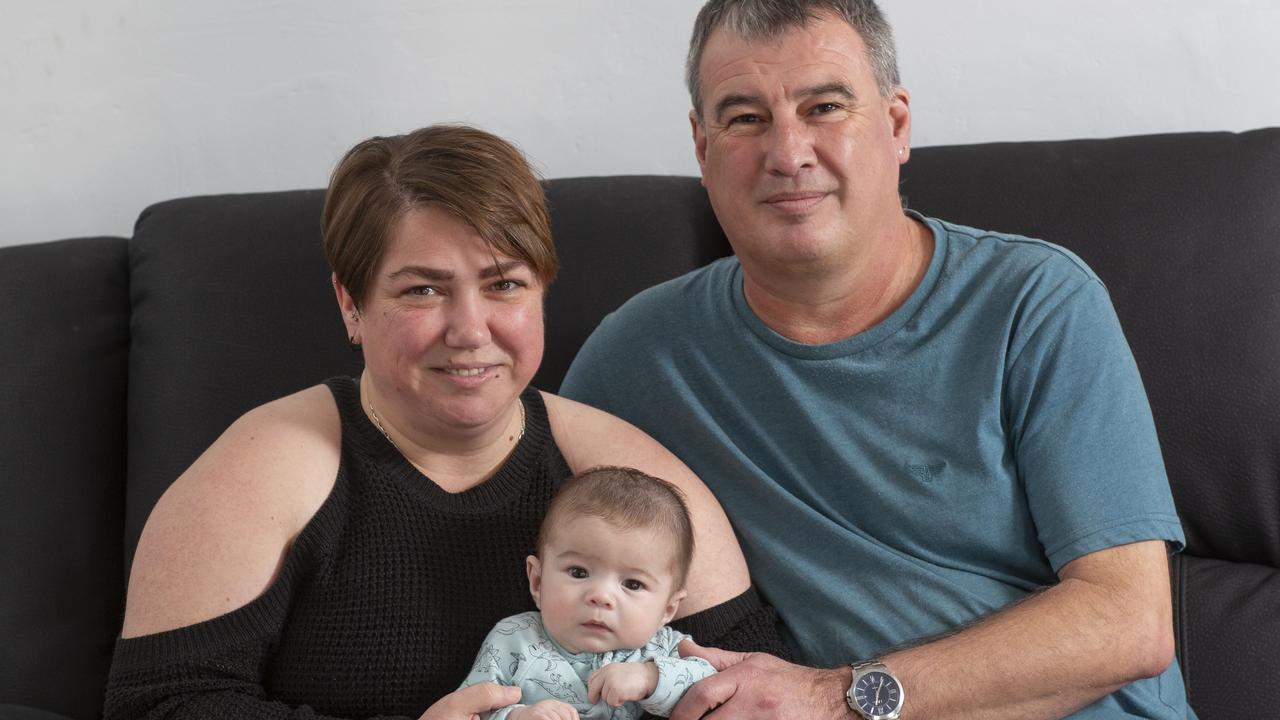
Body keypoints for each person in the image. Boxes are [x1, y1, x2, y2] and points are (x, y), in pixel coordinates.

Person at [560, 1, 1196, 718]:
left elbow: (1129, 625)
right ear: (702, 150)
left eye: (824, 106)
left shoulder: (1037, 303)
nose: (788, 153)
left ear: (896, 126)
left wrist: (836, 699)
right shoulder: (637, 356)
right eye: (744, 118)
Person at [103, 124, 786, 720]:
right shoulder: (268, 466)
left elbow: (759, 684)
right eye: (423, 289)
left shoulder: (627, 474)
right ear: (351, 302)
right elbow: (159, 705)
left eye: (504, 284)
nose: (469, 330)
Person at [459, 466, 718, 720]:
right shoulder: (513, 639)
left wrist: (650, 677)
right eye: (578, 573)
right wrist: (518, 715)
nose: (601, 596)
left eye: (633, 584)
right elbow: (468, 709)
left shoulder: (661, 648)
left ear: (668, 609)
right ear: (537, 582)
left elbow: (710, 684)